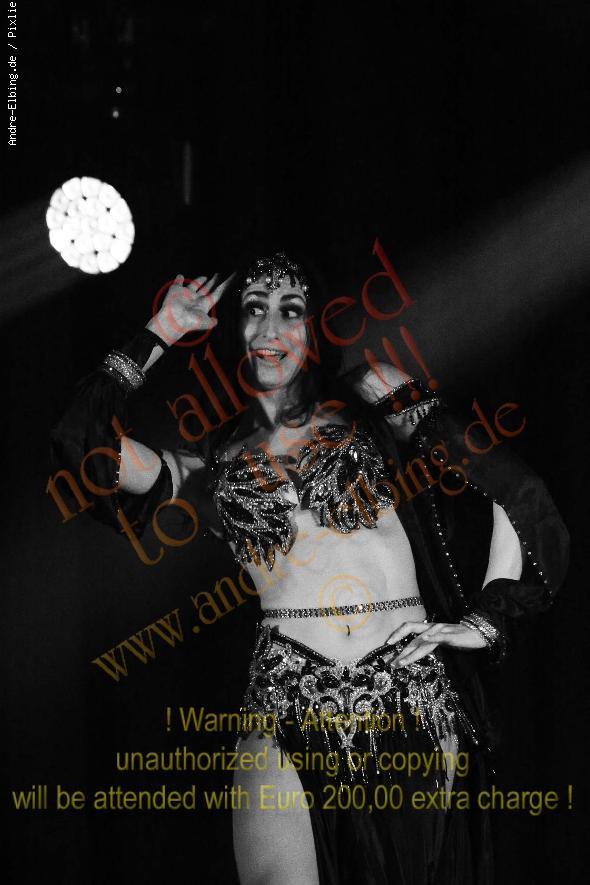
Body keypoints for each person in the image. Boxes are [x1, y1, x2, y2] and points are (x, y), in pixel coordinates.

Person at [50, 251, 569, 885]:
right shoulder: (204, 468)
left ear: (314, 326)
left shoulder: (373, 395)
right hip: (285, 699)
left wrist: (489, 619)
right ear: (235, 329)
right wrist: (161, 330)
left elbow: (505, 484)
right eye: (255, 310)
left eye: (290, 311)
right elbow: (83, 451)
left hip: (406, 690)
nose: (271, 329)